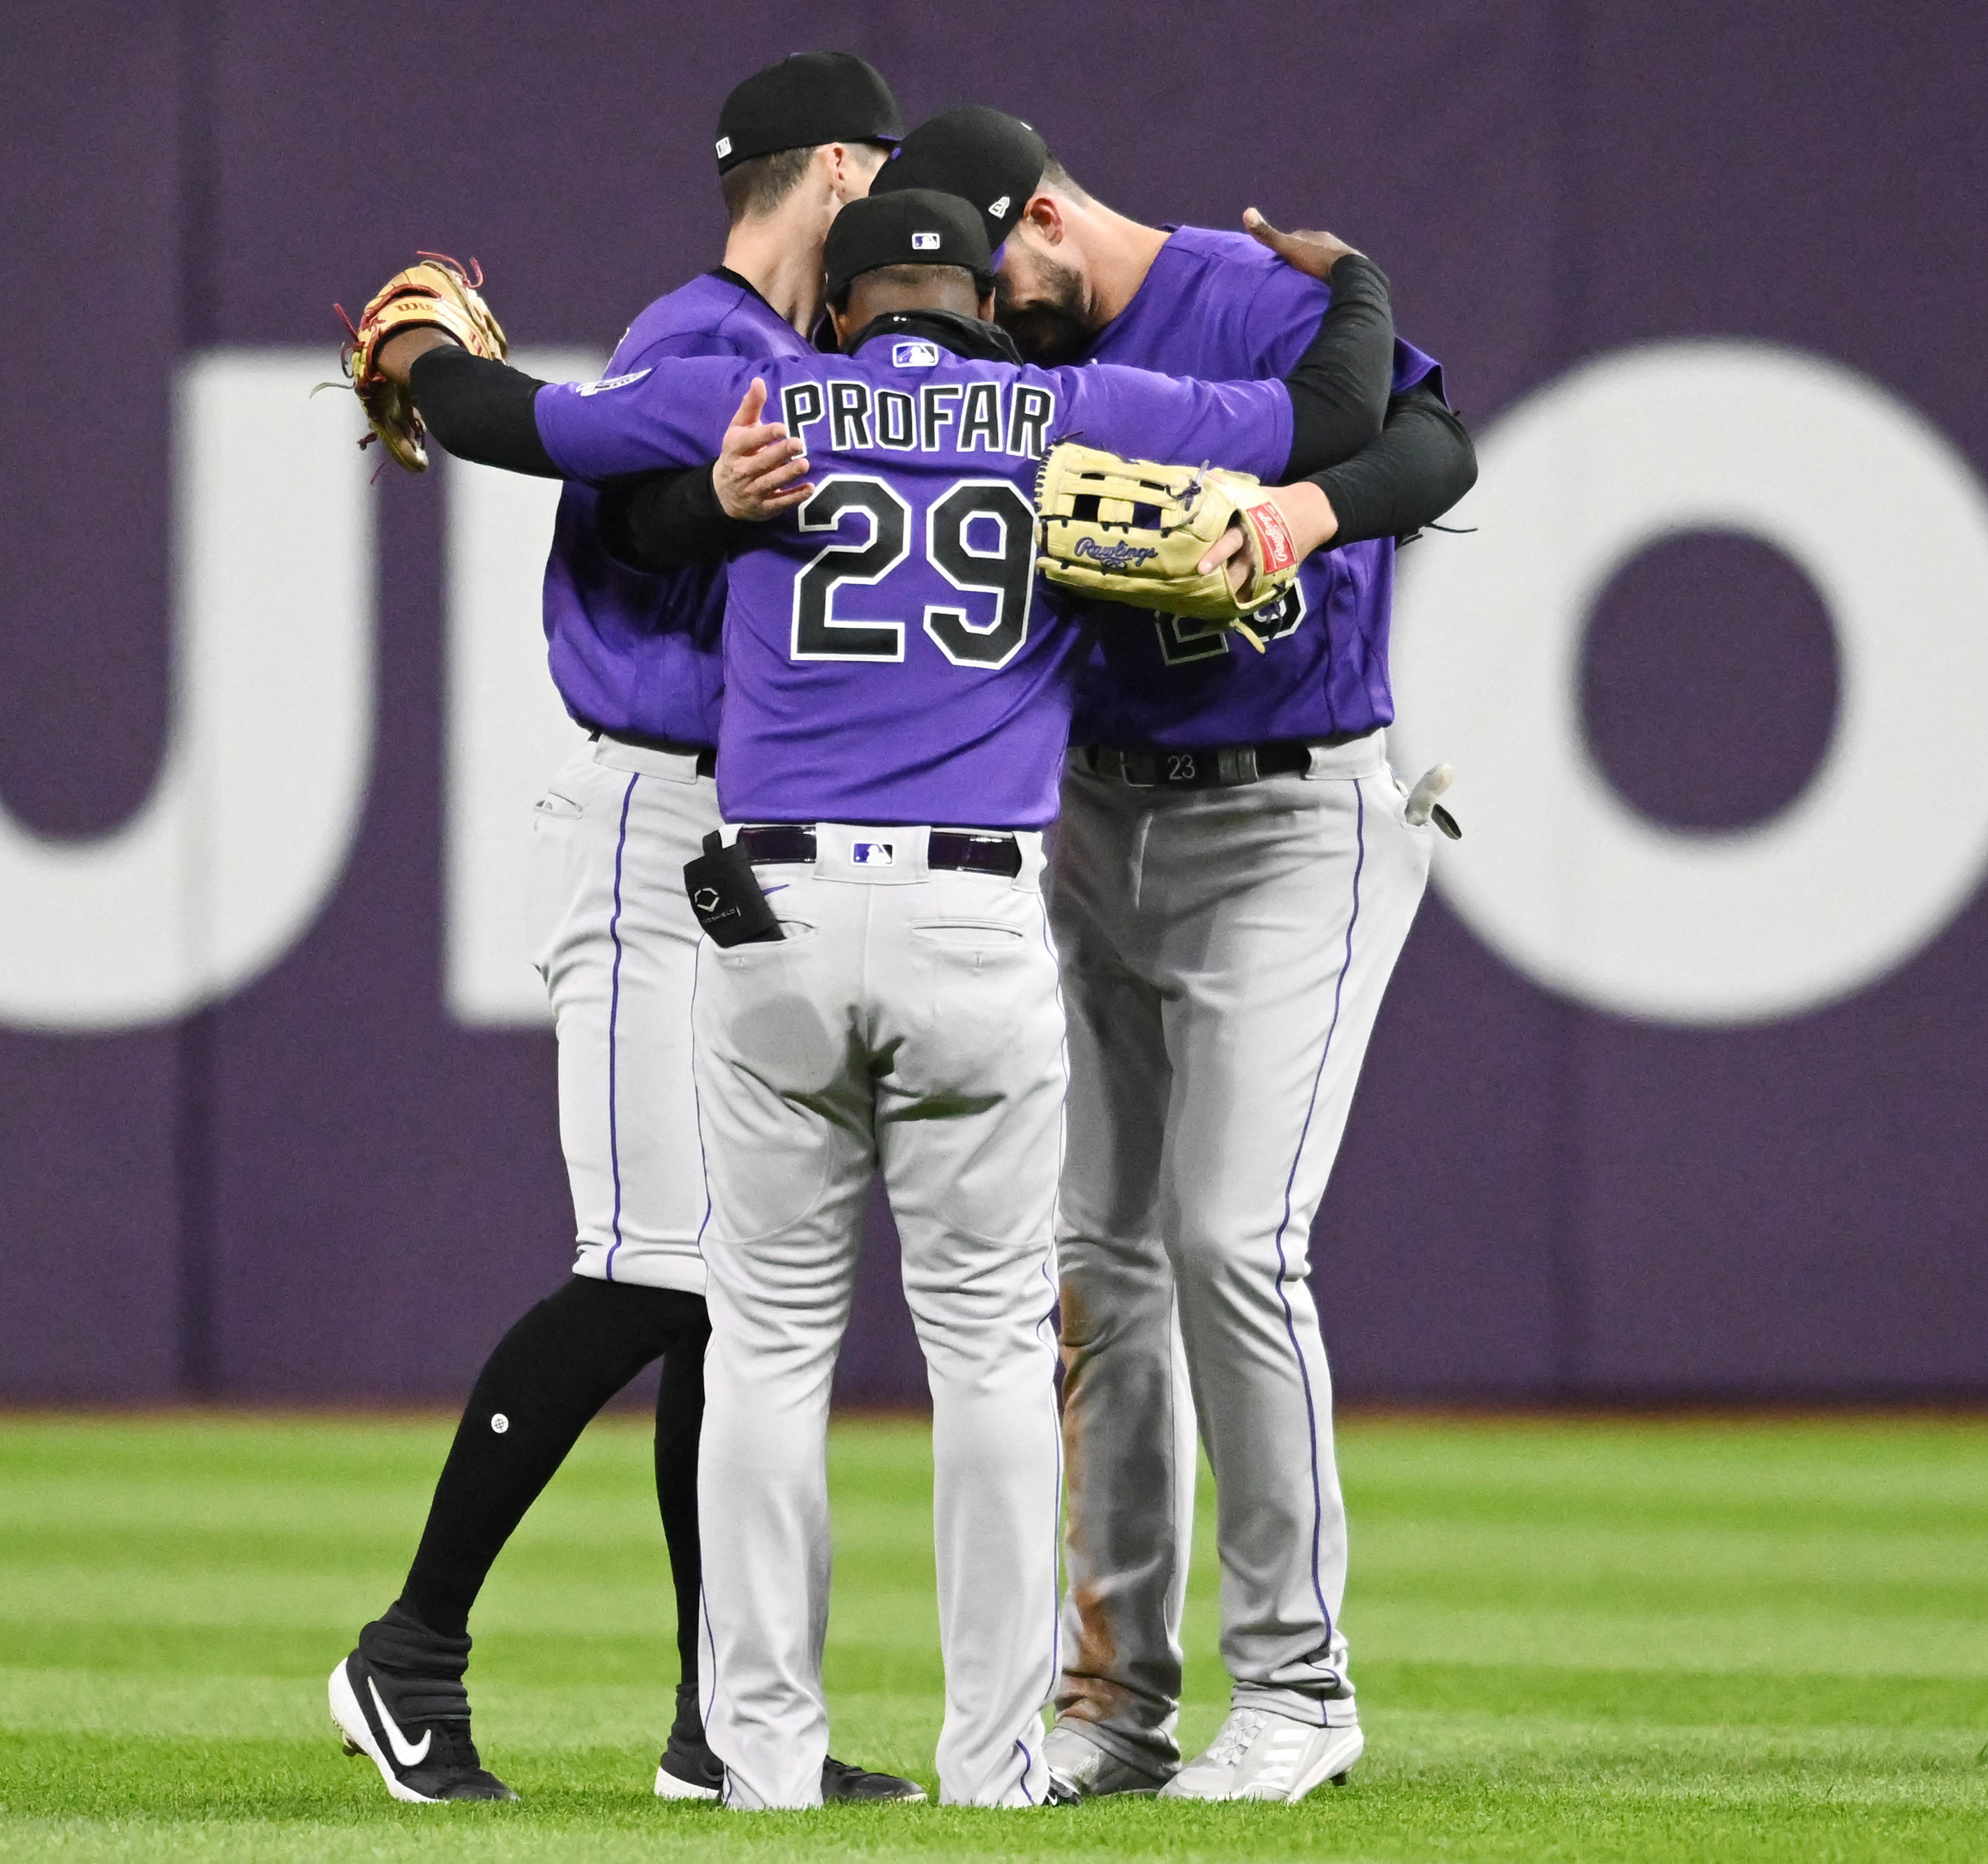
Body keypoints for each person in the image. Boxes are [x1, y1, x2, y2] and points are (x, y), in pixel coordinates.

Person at [361, 184, 1400, 1807]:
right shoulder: (1064, 410)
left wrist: (422, 351)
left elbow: (524, 425)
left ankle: (760, 1755)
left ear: (836, 309)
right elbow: (1337, 416)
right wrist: (1348, 284)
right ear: (980, 302)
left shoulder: (756, 391)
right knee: (988, 1351)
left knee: (767, 1345)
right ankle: (994, 1762)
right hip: (975, 917)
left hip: (766, 907)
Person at [325, 51, 923, 1807]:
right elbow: (557, 435)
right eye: (877, 169)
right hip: (640, 825)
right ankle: (408, 1648)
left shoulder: (800, 371)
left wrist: (704, 508)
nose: (888, 200)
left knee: (736, 1302)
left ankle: (723, 1723)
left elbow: (661, 510)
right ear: (833, 168)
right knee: (654, 1263)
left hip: (729, 841)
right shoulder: (711, 338)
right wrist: (440, 372)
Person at [872, 107, 1477, 1804]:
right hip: (1086, 818)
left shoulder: (1243, 301)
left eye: (996, 281)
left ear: (1049, 218)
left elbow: (1436, 454)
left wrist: (1301, 516)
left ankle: (1298, 1688)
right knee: (1098, 1271)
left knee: (1229, 1240)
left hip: (1290, 821)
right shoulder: (982, 356)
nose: (983, 320)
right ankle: (1114, 1705)